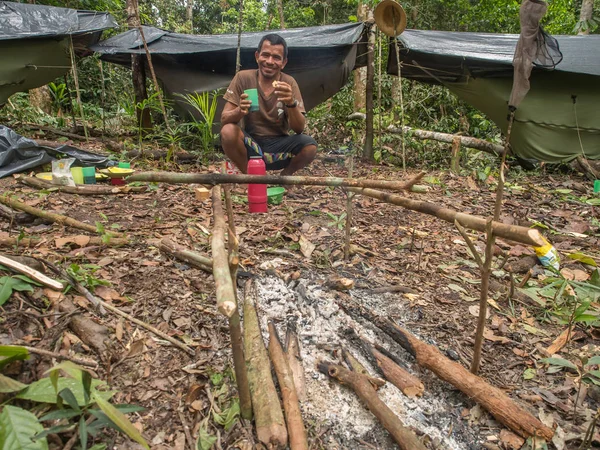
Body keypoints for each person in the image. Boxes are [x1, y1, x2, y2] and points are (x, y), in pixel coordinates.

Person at [220, 33, 317, 175]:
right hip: (250, 146)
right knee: (228, 131)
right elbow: (224, 119)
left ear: (283, 63)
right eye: (265, 55)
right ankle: (251, 177)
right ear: (257, 56)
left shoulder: (288, 83)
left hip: (279, 147)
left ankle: (285, 176)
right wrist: (240, 110)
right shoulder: (243, 77)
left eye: (277, 57)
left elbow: (298, 129)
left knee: (310, 146)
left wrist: (291, 104)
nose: (270, 61)